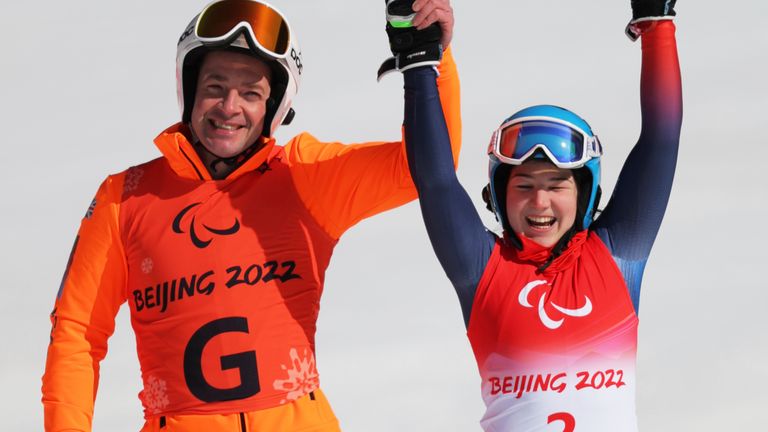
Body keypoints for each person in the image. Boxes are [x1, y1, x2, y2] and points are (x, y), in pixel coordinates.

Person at [41, 0, 459, 430]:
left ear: (274, 107)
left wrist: (427, 61)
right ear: (190, 90)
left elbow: (423, 170)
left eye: (251, 93)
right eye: (215, 87)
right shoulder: (125, 198)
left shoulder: (304, 177)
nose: (229, 107)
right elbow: (76, 335)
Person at [403, 0, 682, 430]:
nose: (540, 203)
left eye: (556, 186)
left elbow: (662, 138)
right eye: (524, 186)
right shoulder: (481, 270)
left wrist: (655, 20)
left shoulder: (617, 254)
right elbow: (436, 182)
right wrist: (420, 60)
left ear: (584, 192)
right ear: (498, 194)